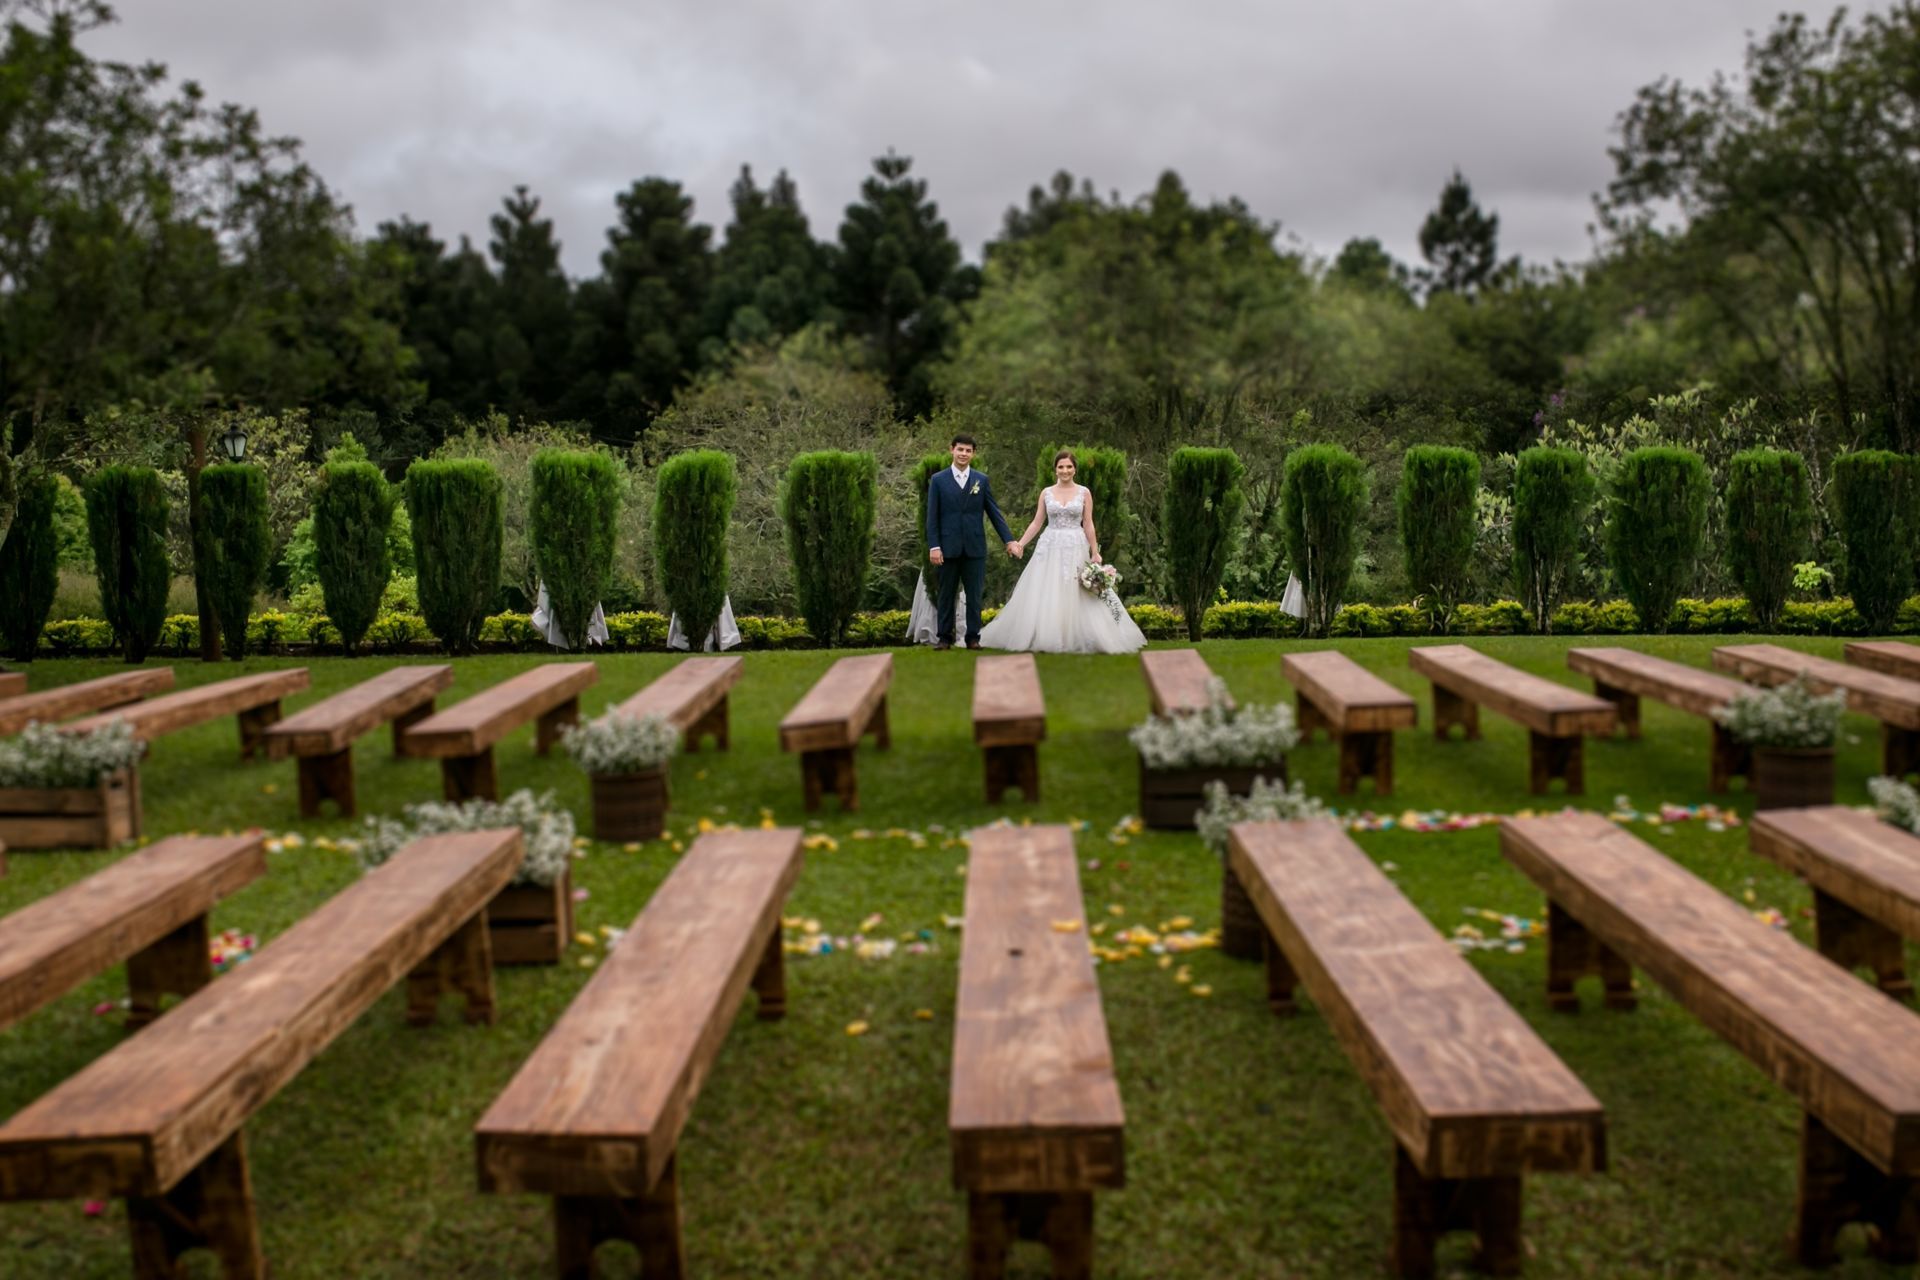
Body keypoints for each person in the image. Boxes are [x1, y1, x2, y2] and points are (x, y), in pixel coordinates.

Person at [979, 450, 1147, 654]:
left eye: (1069, 466)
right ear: (1055, 470)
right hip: (1050, 545)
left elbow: (1088, 523)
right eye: (1061, 467)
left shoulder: (1084, 492)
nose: (1065, 470)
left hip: (1076, 544)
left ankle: (1080, 635)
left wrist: (1095, 552)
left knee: (1079, 591)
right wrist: (1020, 543)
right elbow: (1036, 522)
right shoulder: (1046, 492)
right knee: (1047, 589)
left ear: (1075, 469)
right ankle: (1048, 635)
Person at [925, 433, 1020, 650]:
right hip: (947, 547)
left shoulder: (981, 480)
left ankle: (973, 638)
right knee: (946, 594)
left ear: (973, 453)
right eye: (960, 449)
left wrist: (1009, 540)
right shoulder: (938, 480)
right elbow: (932, 517)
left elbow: (994, 513)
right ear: (952, 450)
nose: (964, 454)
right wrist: (934, 545)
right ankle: (944, 638)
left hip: (975, 547)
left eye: (968, 451)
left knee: (974, 596)